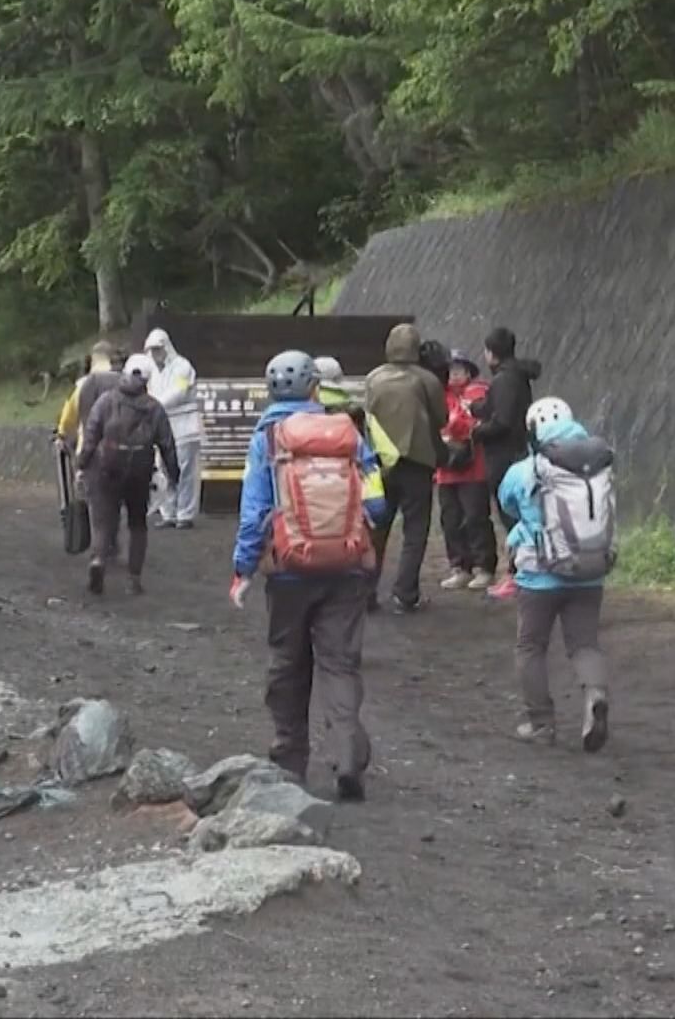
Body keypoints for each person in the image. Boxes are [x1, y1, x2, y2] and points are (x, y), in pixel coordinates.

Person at [231, 350, 387, 802]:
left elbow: (253, 510)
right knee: (340, 662)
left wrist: (242, 568)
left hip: (289, 569)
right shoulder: (347, 432)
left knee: (287, 660)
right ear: (315, 389)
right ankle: (347, 756)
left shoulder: (267, 438)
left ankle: (289, 757)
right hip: (346, 567)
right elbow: (376, 503)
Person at [498, 397, 616, 753]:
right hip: (590, 570)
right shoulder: (598, 464)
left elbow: (506, 502)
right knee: (584, 644)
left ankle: (541, 723)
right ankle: (595, 694)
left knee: (531, 646)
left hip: (539, 575)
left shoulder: (527, 469)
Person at [77, 353, 181, 597]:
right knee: (137, 524)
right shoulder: (154, 407)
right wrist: (174, 475)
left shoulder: (106, 401)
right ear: (146, 379)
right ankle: (134, 580)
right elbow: (167, 444)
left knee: (104, 520)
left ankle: (98, 561)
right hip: (139, 470)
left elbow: (91, 434)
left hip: (107, 466)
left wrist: (82, 463)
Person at [363, 323, 447, 613]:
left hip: (380, 462)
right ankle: (405, 594)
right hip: (417, 460)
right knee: (415, 529)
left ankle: (366, 592)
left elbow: (367, 415)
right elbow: (442, 417)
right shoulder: (427, 380)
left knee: (377, 527)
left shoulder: (373, 378)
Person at [472, 327, 543, 600]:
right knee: (520, 515)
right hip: (518, 453)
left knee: (513, 517)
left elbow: (501, 422)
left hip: (505, 458)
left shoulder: (504, 380)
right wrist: (478, 408)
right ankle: (522, 572)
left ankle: (518, 574)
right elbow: (500, 409)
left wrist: (475, 432)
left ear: (491, 353)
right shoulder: (516, 377)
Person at [436, 348, 497, 590]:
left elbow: (473, 423)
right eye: (450, 371)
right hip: (445, 469)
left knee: (475, 518)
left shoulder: (478, 393)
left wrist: (453, 425)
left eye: (459, 370)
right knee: (450, 520)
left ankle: (485, 567)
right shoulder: (440, 396)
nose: (454, 375)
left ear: (469, 372)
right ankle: (459, 567)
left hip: (474, 468)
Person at [143, 329, 203, 528]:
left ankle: (185, 514)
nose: (155, 353)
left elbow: (179, 391)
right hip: (162, 428)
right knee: (164, 470)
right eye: (151, 350)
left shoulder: (183, 367)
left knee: (186, 471)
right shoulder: (151, 370)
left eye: (158, 349)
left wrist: (153, 405)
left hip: (185, 427)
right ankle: (169, 513)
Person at [56, 341, 124, 453]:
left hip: (89, 452)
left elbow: (68, 419)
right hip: (119, 451)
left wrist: (62, 435)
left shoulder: (82, 385)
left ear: (92, 361)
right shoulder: (124, 382)